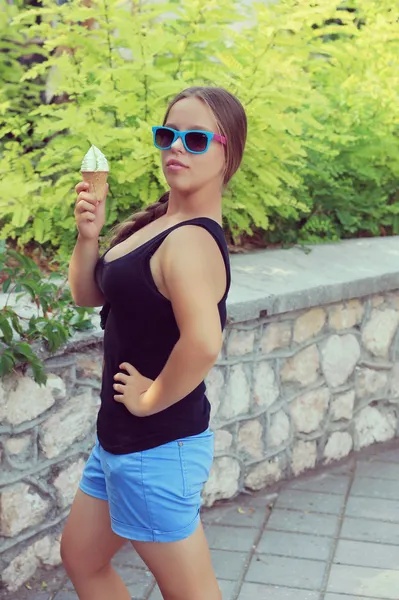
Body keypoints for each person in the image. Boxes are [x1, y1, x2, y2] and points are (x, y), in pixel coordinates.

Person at [62, 86, 247, 600]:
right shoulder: (163, 222)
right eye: (168, 135)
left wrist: (150, 397)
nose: (176, 149)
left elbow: (205, 343)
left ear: (226, 150)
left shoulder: (189, 240)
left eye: (193, 139)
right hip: (120, 442)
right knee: (82, 558)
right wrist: (89, 237)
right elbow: (88, 294)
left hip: (158, 446)